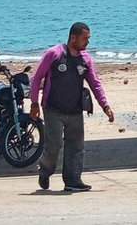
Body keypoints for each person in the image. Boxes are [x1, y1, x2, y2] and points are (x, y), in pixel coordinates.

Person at [30, 22, 114, 192]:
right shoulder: (54, 54)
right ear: (73, 37)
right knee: (54, 146)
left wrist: (105, 106)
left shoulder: (85, 59)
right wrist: (34, 103)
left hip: (75, 109)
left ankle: (73, 180)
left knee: (76, 147)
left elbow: (95, 84)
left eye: (88, 39)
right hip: (53, 108)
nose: (87, 42)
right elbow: (37, 78)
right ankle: (45, 170)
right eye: (85, 38)